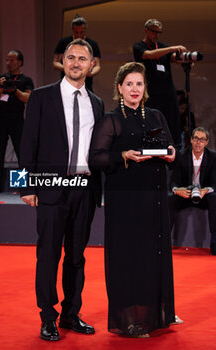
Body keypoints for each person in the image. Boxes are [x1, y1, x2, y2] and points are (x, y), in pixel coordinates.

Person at [89, 62, 182, 338]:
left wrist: (171, 155)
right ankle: (129, 319)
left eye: (139, 84)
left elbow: (171, 147)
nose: (134, 89)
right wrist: (124, 156)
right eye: (129, 84)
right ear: (119, 88)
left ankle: (161, 311)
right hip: (125, 201)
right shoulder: (111, 119)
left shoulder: (156, 115)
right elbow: (95, 159)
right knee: (129, 259)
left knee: (156, 255)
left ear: (145, 88)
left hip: (154, 198)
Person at [20, 39, 104, 341]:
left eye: (83, 58)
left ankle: (70, 313)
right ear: (62, 62)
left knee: (77, 257)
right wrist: (25, 186)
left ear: (91, 65)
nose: (76, 63)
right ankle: (47, 316)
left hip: (84, 188)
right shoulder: (42, 97)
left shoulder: (97, 103)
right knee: (48, 255)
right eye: (71, 57)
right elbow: (26, 143)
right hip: (51, 187)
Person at [133, 18, 188, 147]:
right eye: (153, 32)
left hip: (167, 91)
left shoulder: (163, 47)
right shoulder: (138, 46)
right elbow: (149, 54)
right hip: (151, 92)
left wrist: (186, 58)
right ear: (146, 31)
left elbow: (174, 58)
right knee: (152, 122)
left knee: (171, 122)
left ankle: (175, 147)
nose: (156, 35)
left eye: (158, 32)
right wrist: (171, 48)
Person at [0, 49, 34, 194]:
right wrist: (2, 88)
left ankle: (23, 187)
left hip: (17, 121)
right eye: (7, 60)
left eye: (12, 60)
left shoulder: (25, 80)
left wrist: (15, 90)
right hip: (0, 121)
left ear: (20, 62)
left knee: (22, 154)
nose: (9, 63)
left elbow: (28, 98)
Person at [169, 127, 216, 255]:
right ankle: (165, 241)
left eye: (201, 140)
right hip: (186, 194)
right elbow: (174, 181)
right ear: (191, 140)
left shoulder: (213, 157)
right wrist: (177, 190)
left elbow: (214, 183)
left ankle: (214, 241)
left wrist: (205, 190)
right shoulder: (182, 156)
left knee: (214, 198)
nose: (198, 142)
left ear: (206, 142)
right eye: (195, 139)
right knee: (170, 198)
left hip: (203, 195)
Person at [53, 15, 101, 92]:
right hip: (66, 84)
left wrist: (90, 73)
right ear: (72, 30)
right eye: (76, 32)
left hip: (86, 85)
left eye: (81, 32)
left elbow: (97, 66)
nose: (79, 35)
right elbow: (55, 63)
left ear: (85, 30)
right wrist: (69, 69)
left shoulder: (93, 44)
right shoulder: (63, 42)